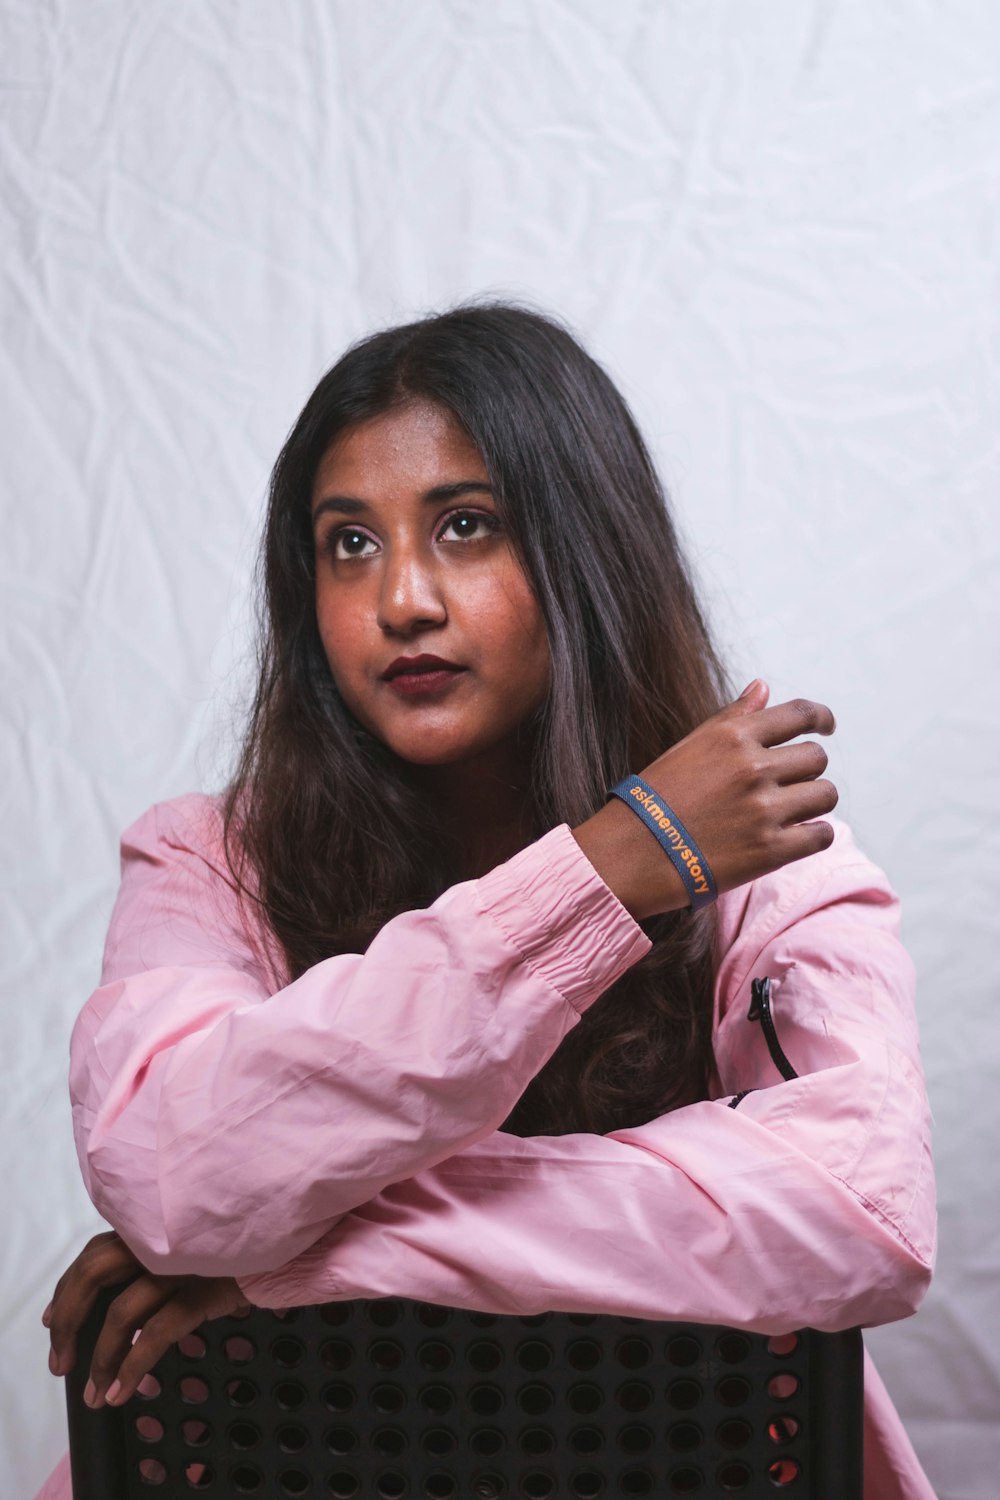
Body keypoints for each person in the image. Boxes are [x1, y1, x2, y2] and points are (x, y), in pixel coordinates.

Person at [35, 303, 935, 1499]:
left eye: (466, 526)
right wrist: (609, 870)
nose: (402, 598)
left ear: (585, 551)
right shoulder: (208, 862)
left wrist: (300, 1252)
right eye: (347, 544)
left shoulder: (767, 859)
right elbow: (168, 1180)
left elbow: (860, 1210)